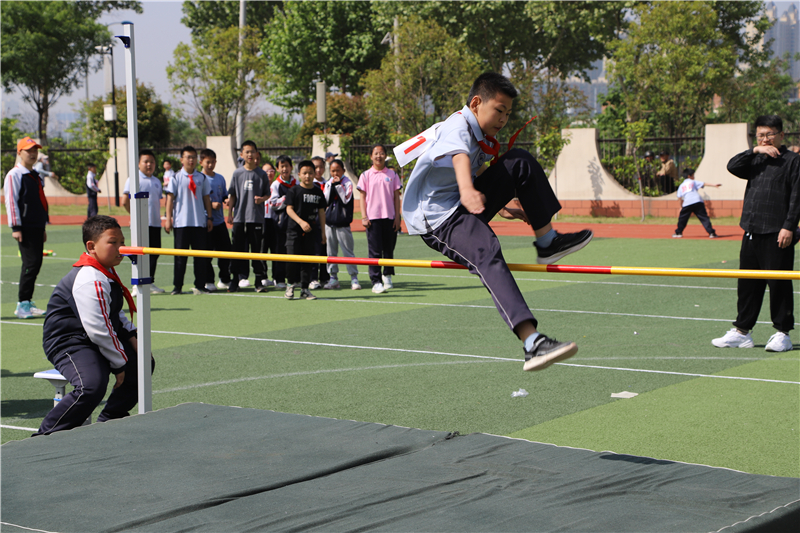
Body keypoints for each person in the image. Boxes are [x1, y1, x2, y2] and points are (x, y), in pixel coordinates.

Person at [400, 72, 593, 371]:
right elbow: (459, 158)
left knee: (519, 161)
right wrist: (467, 191)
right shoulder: (458, 125)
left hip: (464, 202)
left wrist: (506, 208)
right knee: (486, 250)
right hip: (438, 218)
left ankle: (547, 241)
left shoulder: (481, 135)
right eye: (499, 110)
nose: (503, 119)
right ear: (476, 103)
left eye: (508, 113)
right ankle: (533, 343)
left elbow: (476, 173)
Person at [34, 215, 154, 435]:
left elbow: (114, 315)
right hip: (67, 342)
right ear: (91, 246)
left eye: (122, 242)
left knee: (143, 362)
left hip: (90, 338)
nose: (121, 248)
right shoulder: (90, 277)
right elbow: (98, 329)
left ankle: (109, 420)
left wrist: (132, 337)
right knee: (91, 385)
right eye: (113, 242)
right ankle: (45, 435)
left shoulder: (105, 272)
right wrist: (119, 365)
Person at [712, 115, 799, 353]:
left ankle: (783, 333)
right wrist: (754, 150)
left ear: (781, 135)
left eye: (770, 134)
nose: (765, 138)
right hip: (751, 229)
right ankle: (742, 331)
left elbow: (796, 197)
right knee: (748, 284)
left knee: (778, 284)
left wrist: (789, 226)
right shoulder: (756, 160)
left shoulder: (792, 161)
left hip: (777, 233)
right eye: (761, 134)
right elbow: (732, 166)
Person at [4, 137, 49, 319]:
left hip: (37, 226)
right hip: (25, 227)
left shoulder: (34, 174)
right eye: (28, 150)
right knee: (30, 264)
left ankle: (27, 301)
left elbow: (39, 202)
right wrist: (16, 226)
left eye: (35, 150)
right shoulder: (14, 175)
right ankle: (23, 304)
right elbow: (11, 201)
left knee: (36, 263)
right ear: (19, 152)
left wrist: (43, 225)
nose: (32, 153)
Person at [164, 146, 213, 295]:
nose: (191, 160)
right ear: (182, 159)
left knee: (201, 257)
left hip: (199, 223)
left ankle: (200, 285)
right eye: (188, 157)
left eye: (193, 157)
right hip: (181, 223)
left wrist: (209, 217)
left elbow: (206, 198)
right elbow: (170, 199)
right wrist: (168, 219)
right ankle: (177, 286)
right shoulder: (176, 177)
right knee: (180, 257)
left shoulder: (201, 177)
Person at [358, 144, 403, 294]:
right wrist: (364, 216)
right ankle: (376, 281)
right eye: (376, 153)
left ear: (386, 156)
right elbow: (362, 197)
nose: (379, 156)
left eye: (382, 153)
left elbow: (396, 197)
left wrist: (397, 217)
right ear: (371, 156)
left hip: (389, 217)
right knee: (375, 251)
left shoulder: (392, 175)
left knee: (389, 249)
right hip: (373, 218)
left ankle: (387, 275)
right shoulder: (365, 175)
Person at [227, 141, 269, 293]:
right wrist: (230, 213)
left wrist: (261, 199)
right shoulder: (237, 173)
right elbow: (232, 194)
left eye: (252, 152)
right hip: (239, 218)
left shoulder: (262, 174)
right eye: (247, 152)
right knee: (237, 250)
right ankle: (234, 280)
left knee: (256, 250)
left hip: (256, 218)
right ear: (241, 155)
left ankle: (258, 281)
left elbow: (267, 194)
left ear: (257, 154)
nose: (250, 155)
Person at [122, 150, 165, 295]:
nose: (149, 165)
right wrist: (135, 217)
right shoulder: (133, 179)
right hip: (140, 224)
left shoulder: (157, 181)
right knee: (139, 253)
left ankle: (150, 281)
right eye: (146, 161)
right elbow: (124, 201)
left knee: (154, 252)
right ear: (139, 163)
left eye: (152, 162)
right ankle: (136, 283)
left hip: (155, 223)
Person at [284, 160, 326, 300]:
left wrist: (323, 233)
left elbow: (321, 212)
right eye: (304, 173)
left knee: (307, 261)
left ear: (315, 174)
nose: (307, 176)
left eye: (310, 173)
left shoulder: (318, 192)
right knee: (292, 260)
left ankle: (305, 289)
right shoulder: (293, 190)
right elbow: (289, 209)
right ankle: (290, 286)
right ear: (299, 174)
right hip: (294, 231)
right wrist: (301, 222)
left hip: (311, 232)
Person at [324, 159, 360, 290]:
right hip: (329, 223)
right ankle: (333, 278)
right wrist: (332, 185)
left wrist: (338, 185)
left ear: (343, 171)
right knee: (331, 252)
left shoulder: (347, 183)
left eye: (338, 170)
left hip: (343, 223)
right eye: (333, 171)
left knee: (348, 252)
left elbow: (346, 199)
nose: (335, 173)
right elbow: (326, 200)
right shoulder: (328, 183)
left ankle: (354, 278)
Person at [200, 148, 233, 291]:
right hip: (205, 222)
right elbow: (197, 200)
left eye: (213, 162)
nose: (210, 165)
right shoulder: (199, 178)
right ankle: (209, 281)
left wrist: (226, 200)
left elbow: (224, 194)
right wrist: (210, 205)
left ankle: (224, 279)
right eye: (208, 162)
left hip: (220, 221)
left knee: (226, 251)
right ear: (201, 162)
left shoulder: (220, 178)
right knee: (207, 253)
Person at [267, 155, 296, 289]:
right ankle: (279, 279)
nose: (285, 169)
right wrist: (287, 199)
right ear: (278, 169)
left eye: (287, 166)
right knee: (280, 251)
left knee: (294, 251)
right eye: (282, 166)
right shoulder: (276, 184)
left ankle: (294, 278)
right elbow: (273, 203)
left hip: (295, 223)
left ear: (291, 167)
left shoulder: (296, 182)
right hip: (280, 224)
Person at [673, 168, 721, 239]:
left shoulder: (681, 185)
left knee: (682, 219)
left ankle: (678, 232)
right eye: (693, 175)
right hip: (698, 201)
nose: (694, 177)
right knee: (704, 217)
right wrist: (714, 185)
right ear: (689, 176)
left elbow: (679, 197)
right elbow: (704, 183)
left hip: (687, 203)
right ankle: (711, 233)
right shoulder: (693, 182)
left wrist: (681, 207)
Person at [308, 155, 331, 289]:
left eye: (321, 167)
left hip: (326, 223)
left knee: (324, 250)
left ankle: (324, 277)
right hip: (312, 222)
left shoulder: (327, 183)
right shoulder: (309, 185)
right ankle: (312, 278)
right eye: (315, 167)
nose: (318, 170)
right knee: (313, 251)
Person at [261, 161, 277, 287]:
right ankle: (263, 276)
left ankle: (277, 276)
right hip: (262, 220)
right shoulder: (259, 185)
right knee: (262, 249)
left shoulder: (277, 186)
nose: (269, 173)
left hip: (275, 221)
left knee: (276, 250)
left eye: (271, 170)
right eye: (266, 171)